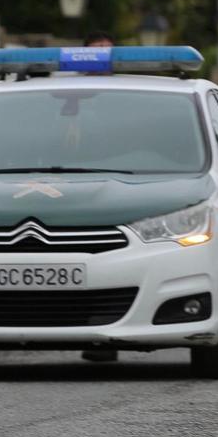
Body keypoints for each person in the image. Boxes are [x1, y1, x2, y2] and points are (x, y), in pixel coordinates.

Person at [81, 30, 119, 363]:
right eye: (95, 54)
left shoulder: (129, 100)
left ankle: (103, 335)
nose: (100, 62)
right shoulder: (61, 99)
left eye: (107, 55)